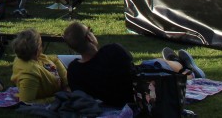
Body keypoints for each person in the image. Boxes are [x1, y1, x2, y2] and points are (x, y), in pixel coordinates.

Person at [63, 21, 205, 107]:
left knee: (152, 65)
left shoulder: (74, 71)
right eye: (90, 30)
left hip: (114, 101)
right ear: (89, 37)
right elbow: (132, 70)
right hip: (139, 91)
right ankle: (187, 69)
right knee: (154, 64)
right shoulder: (111, 51)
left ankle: (177, 62)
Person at [10, 28, 68, 103]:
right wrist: (57, 98)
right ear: (37, 50)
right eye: (41, 44)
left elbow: (54, 59)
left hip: (64, 89)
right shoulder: (29, 73)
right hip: (57, 94)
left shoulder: (32, 57)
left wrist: (67, 83)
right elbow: (27, 102)